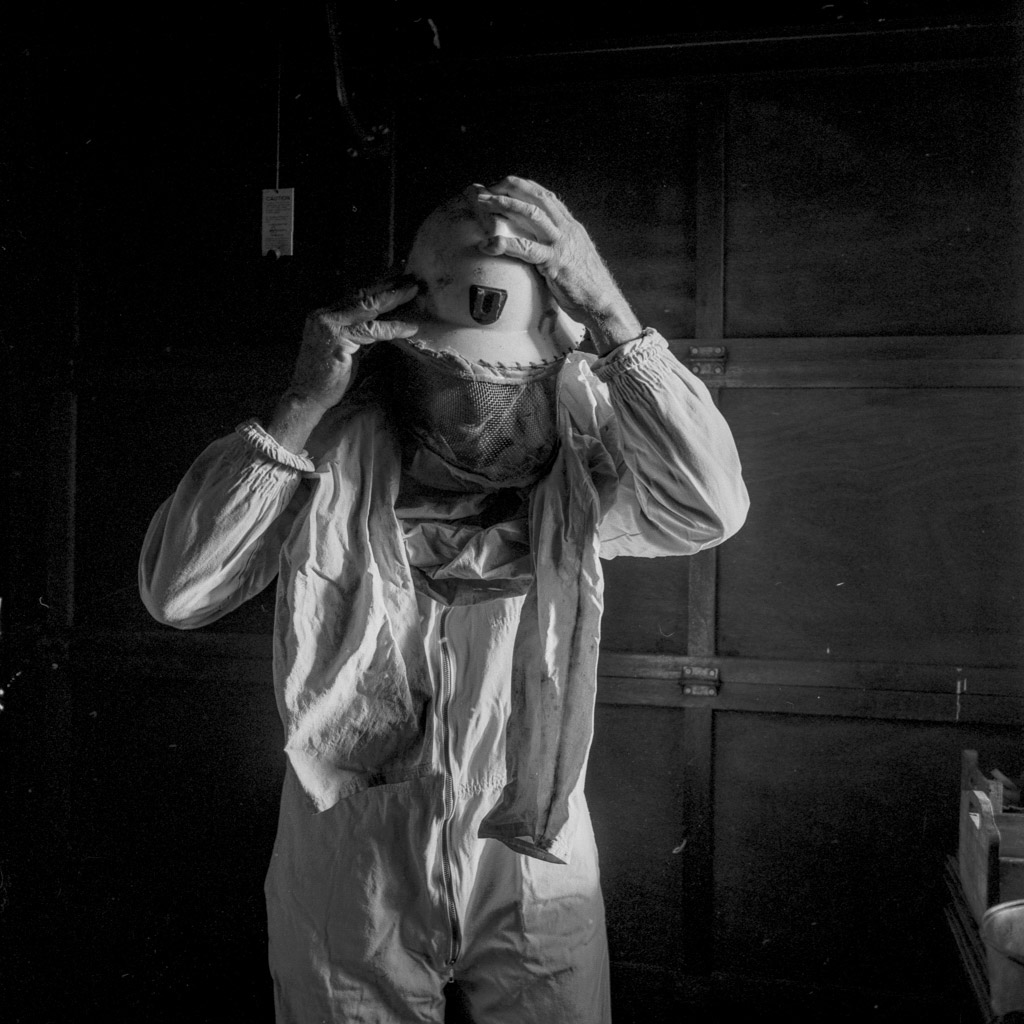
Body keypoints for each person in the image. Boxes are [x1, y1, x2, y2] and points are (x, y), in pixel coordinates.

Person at [139, 176, 749, 1024]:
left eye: (510, 380)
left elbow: (711, 508)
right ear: (410, 351)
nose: (483, 412)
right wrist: (301, 405)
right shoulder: (328, 451)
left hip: (533, 854)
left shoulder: (581, 461)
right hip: (352, 864)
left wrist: (610, 313)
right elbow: (178, 592)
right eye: (459, 376)